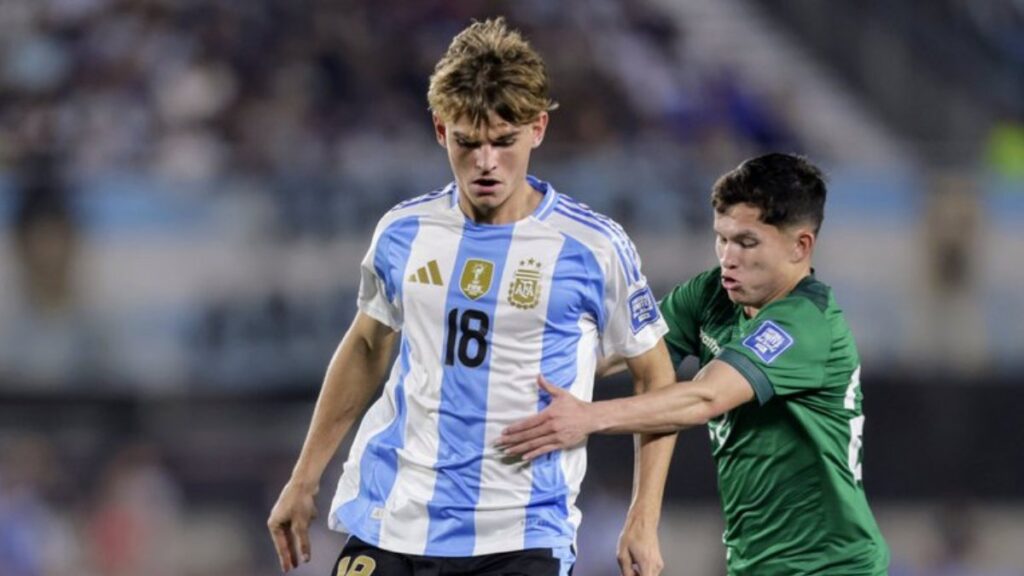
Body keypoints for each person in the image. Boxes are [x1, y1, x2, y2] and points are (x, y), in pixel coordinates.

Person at [267, 17, 678, 576]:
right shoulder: (403, 232)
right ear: (441, 130)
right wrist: (303, 478)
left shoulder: (592, 247)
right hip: (395, 517)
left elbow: (655, 376)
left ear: (537, 129)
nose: (486, 162)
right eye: (468, 142)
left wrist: (643, 517)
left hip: (521, 532)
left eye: (504, 141)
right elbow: (367, 346)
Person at [499, 153, 891, 575]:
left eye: (746, 242)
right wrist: (508, 364)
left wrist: (588, 418)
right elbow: (624, 354)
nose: (728, 256)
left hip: (833, 567)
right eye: (721, 238)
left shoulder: (807, 324)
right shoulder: (711, 295)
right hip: (754, 564)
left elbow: (704, 398)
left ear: (800, 246)